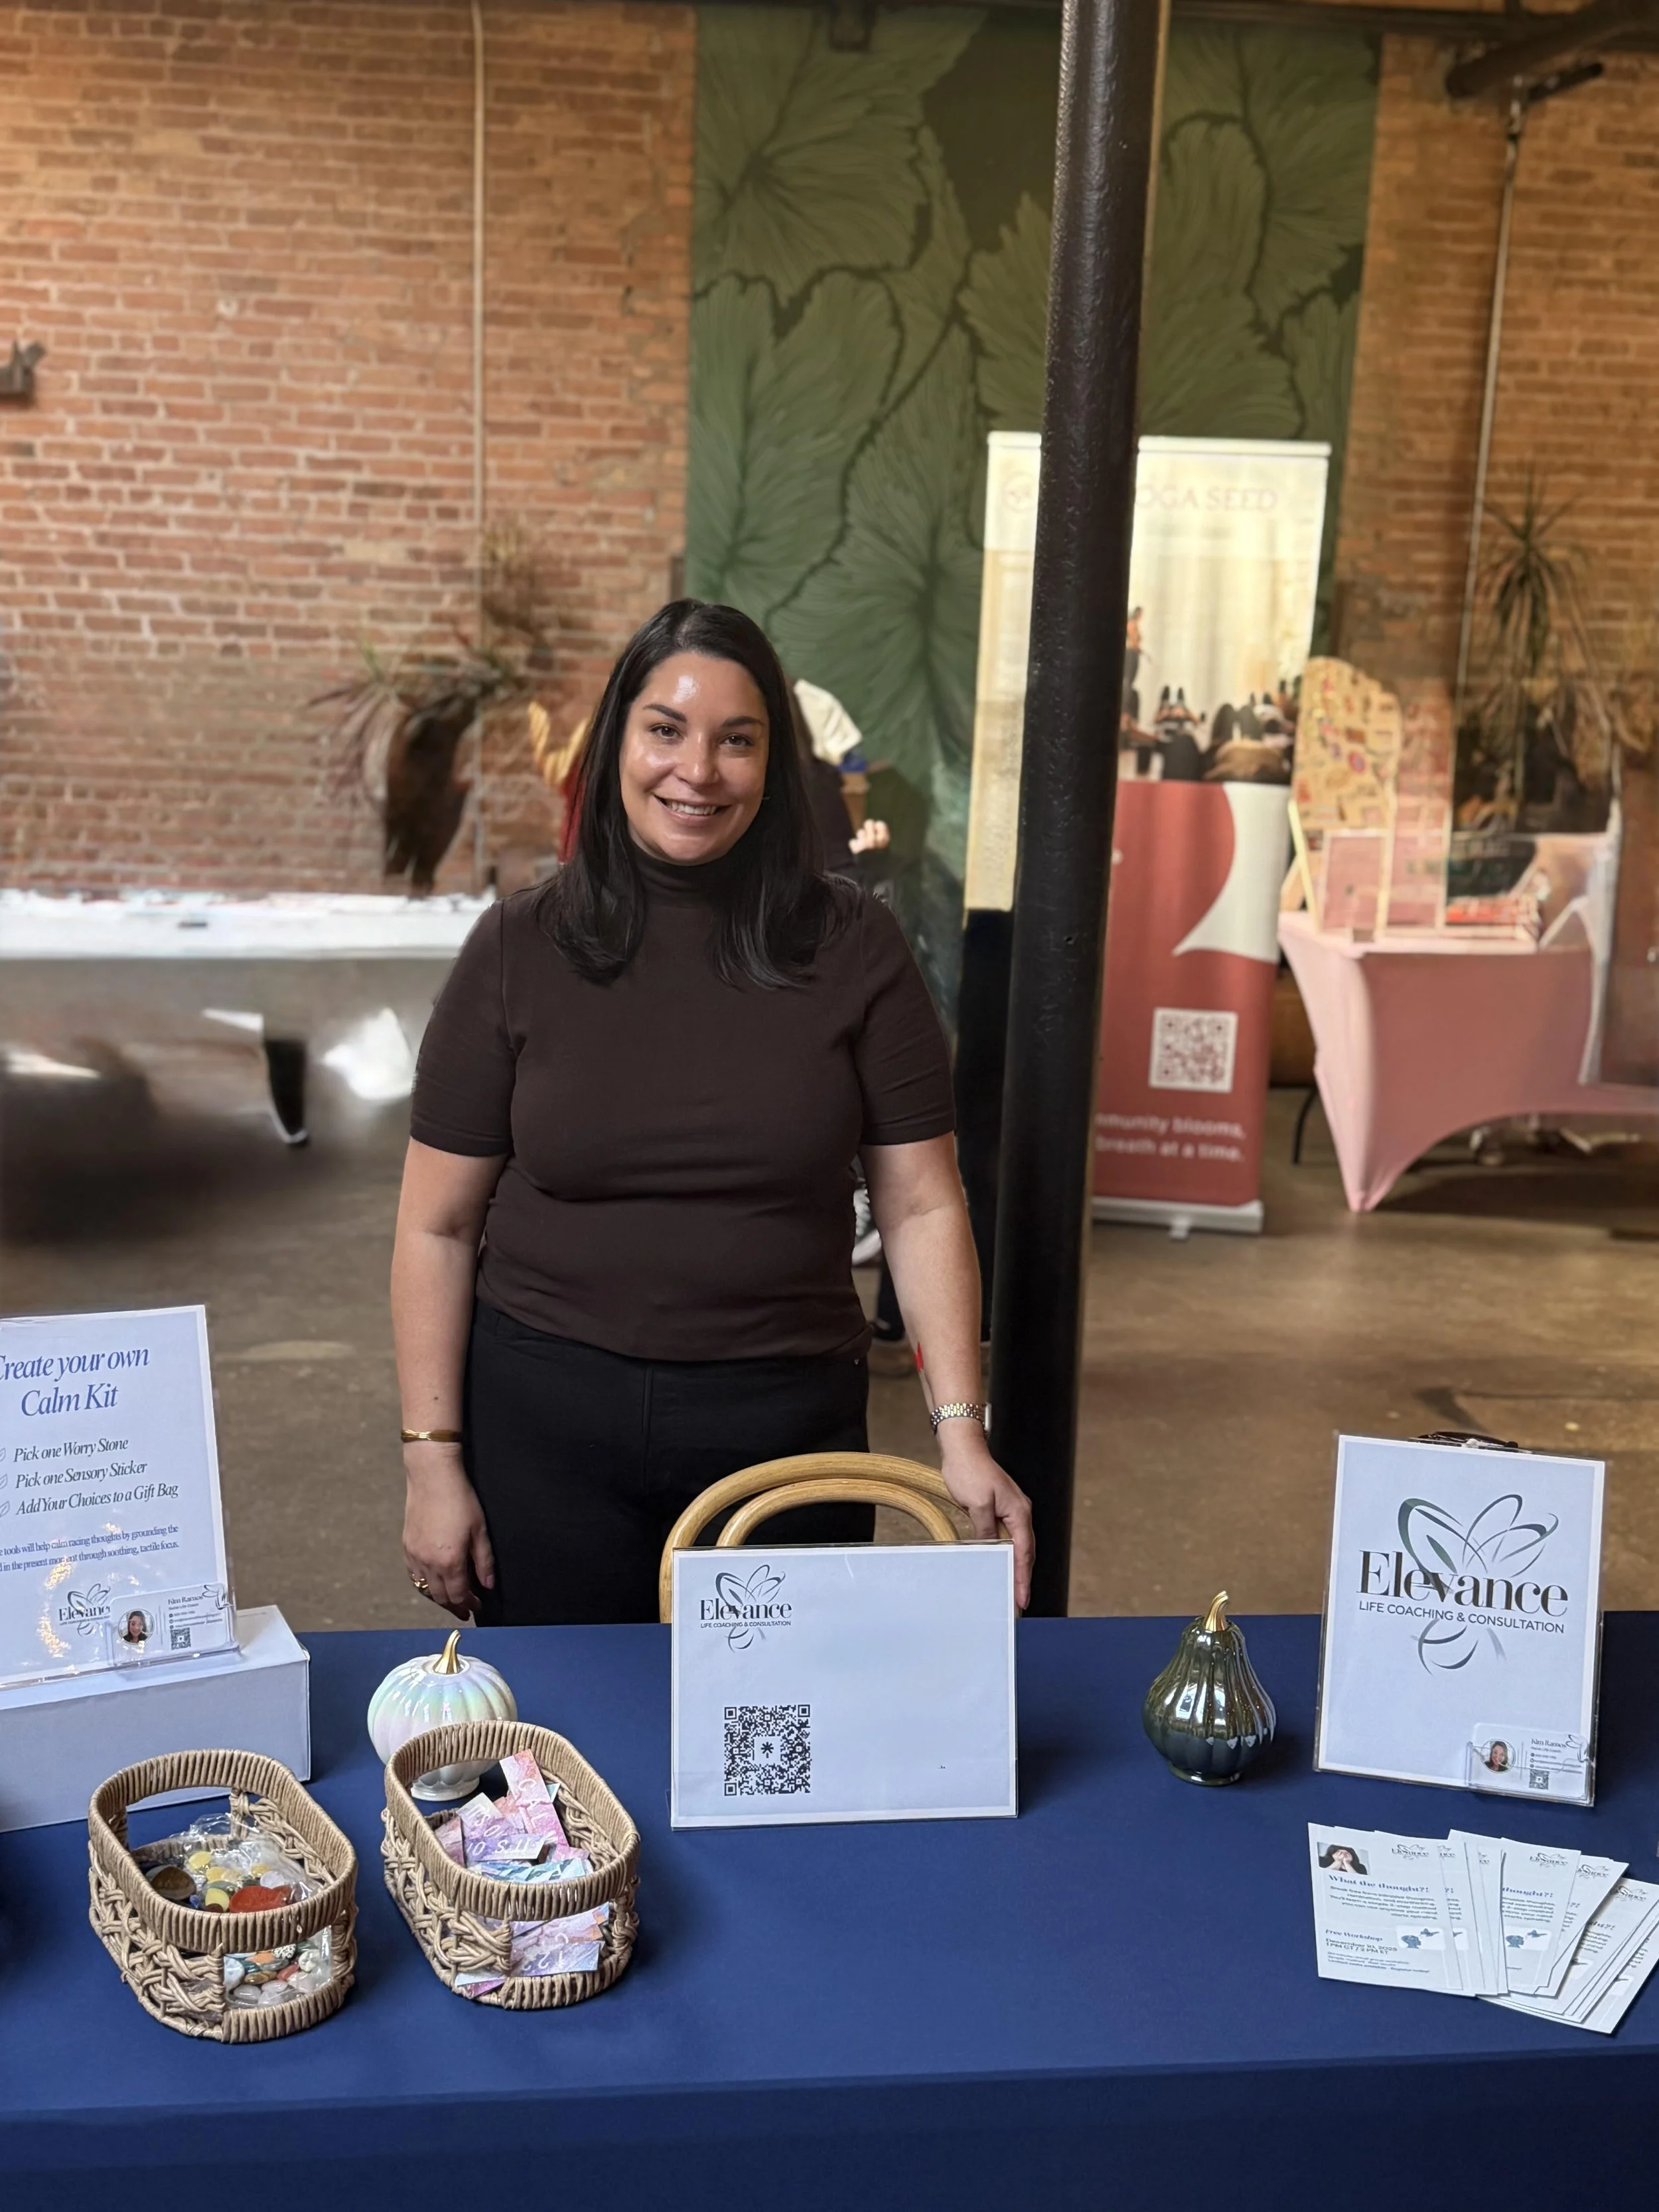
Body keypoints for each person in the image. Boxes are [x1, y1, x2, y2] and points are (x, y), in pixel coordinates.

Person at [393, 599, 1034, 1625]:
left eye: (738, 741)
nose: (698, 770)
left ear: (776, 765)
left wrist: (961, 1432)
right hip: (548, 1424)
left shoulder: (853, 947)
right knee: (572, 1751)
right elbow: (437, 1224)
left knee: (771, 1754)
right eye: (666, 730)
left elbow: (920, 1207)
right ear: (618, 744)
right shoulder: (518, 948)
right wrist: (433, 1463)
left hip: (787, 1432)